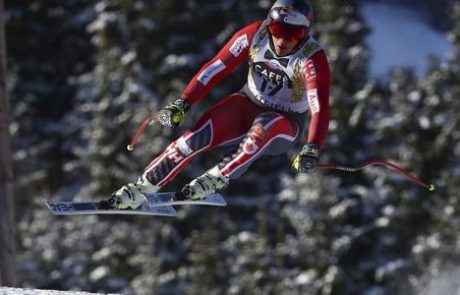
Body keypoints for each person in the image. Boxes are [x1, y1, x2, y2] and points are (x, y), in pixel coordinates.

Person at [105, 0, 331, 209]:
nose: (282, 40)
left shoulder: (311, 59)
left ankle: (214, 178)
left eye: (293, 34)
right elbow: (216, 67)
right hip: (247, 102)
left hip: (286, 123)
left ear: (305, 33)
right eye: (278, 30)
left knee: (264, 127)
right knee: (192, 139)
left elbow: (318, 106)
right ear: (269, 24)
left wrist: (312, 147)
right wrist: (182, 104)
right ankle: (142, 188)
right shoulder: (255, 34)